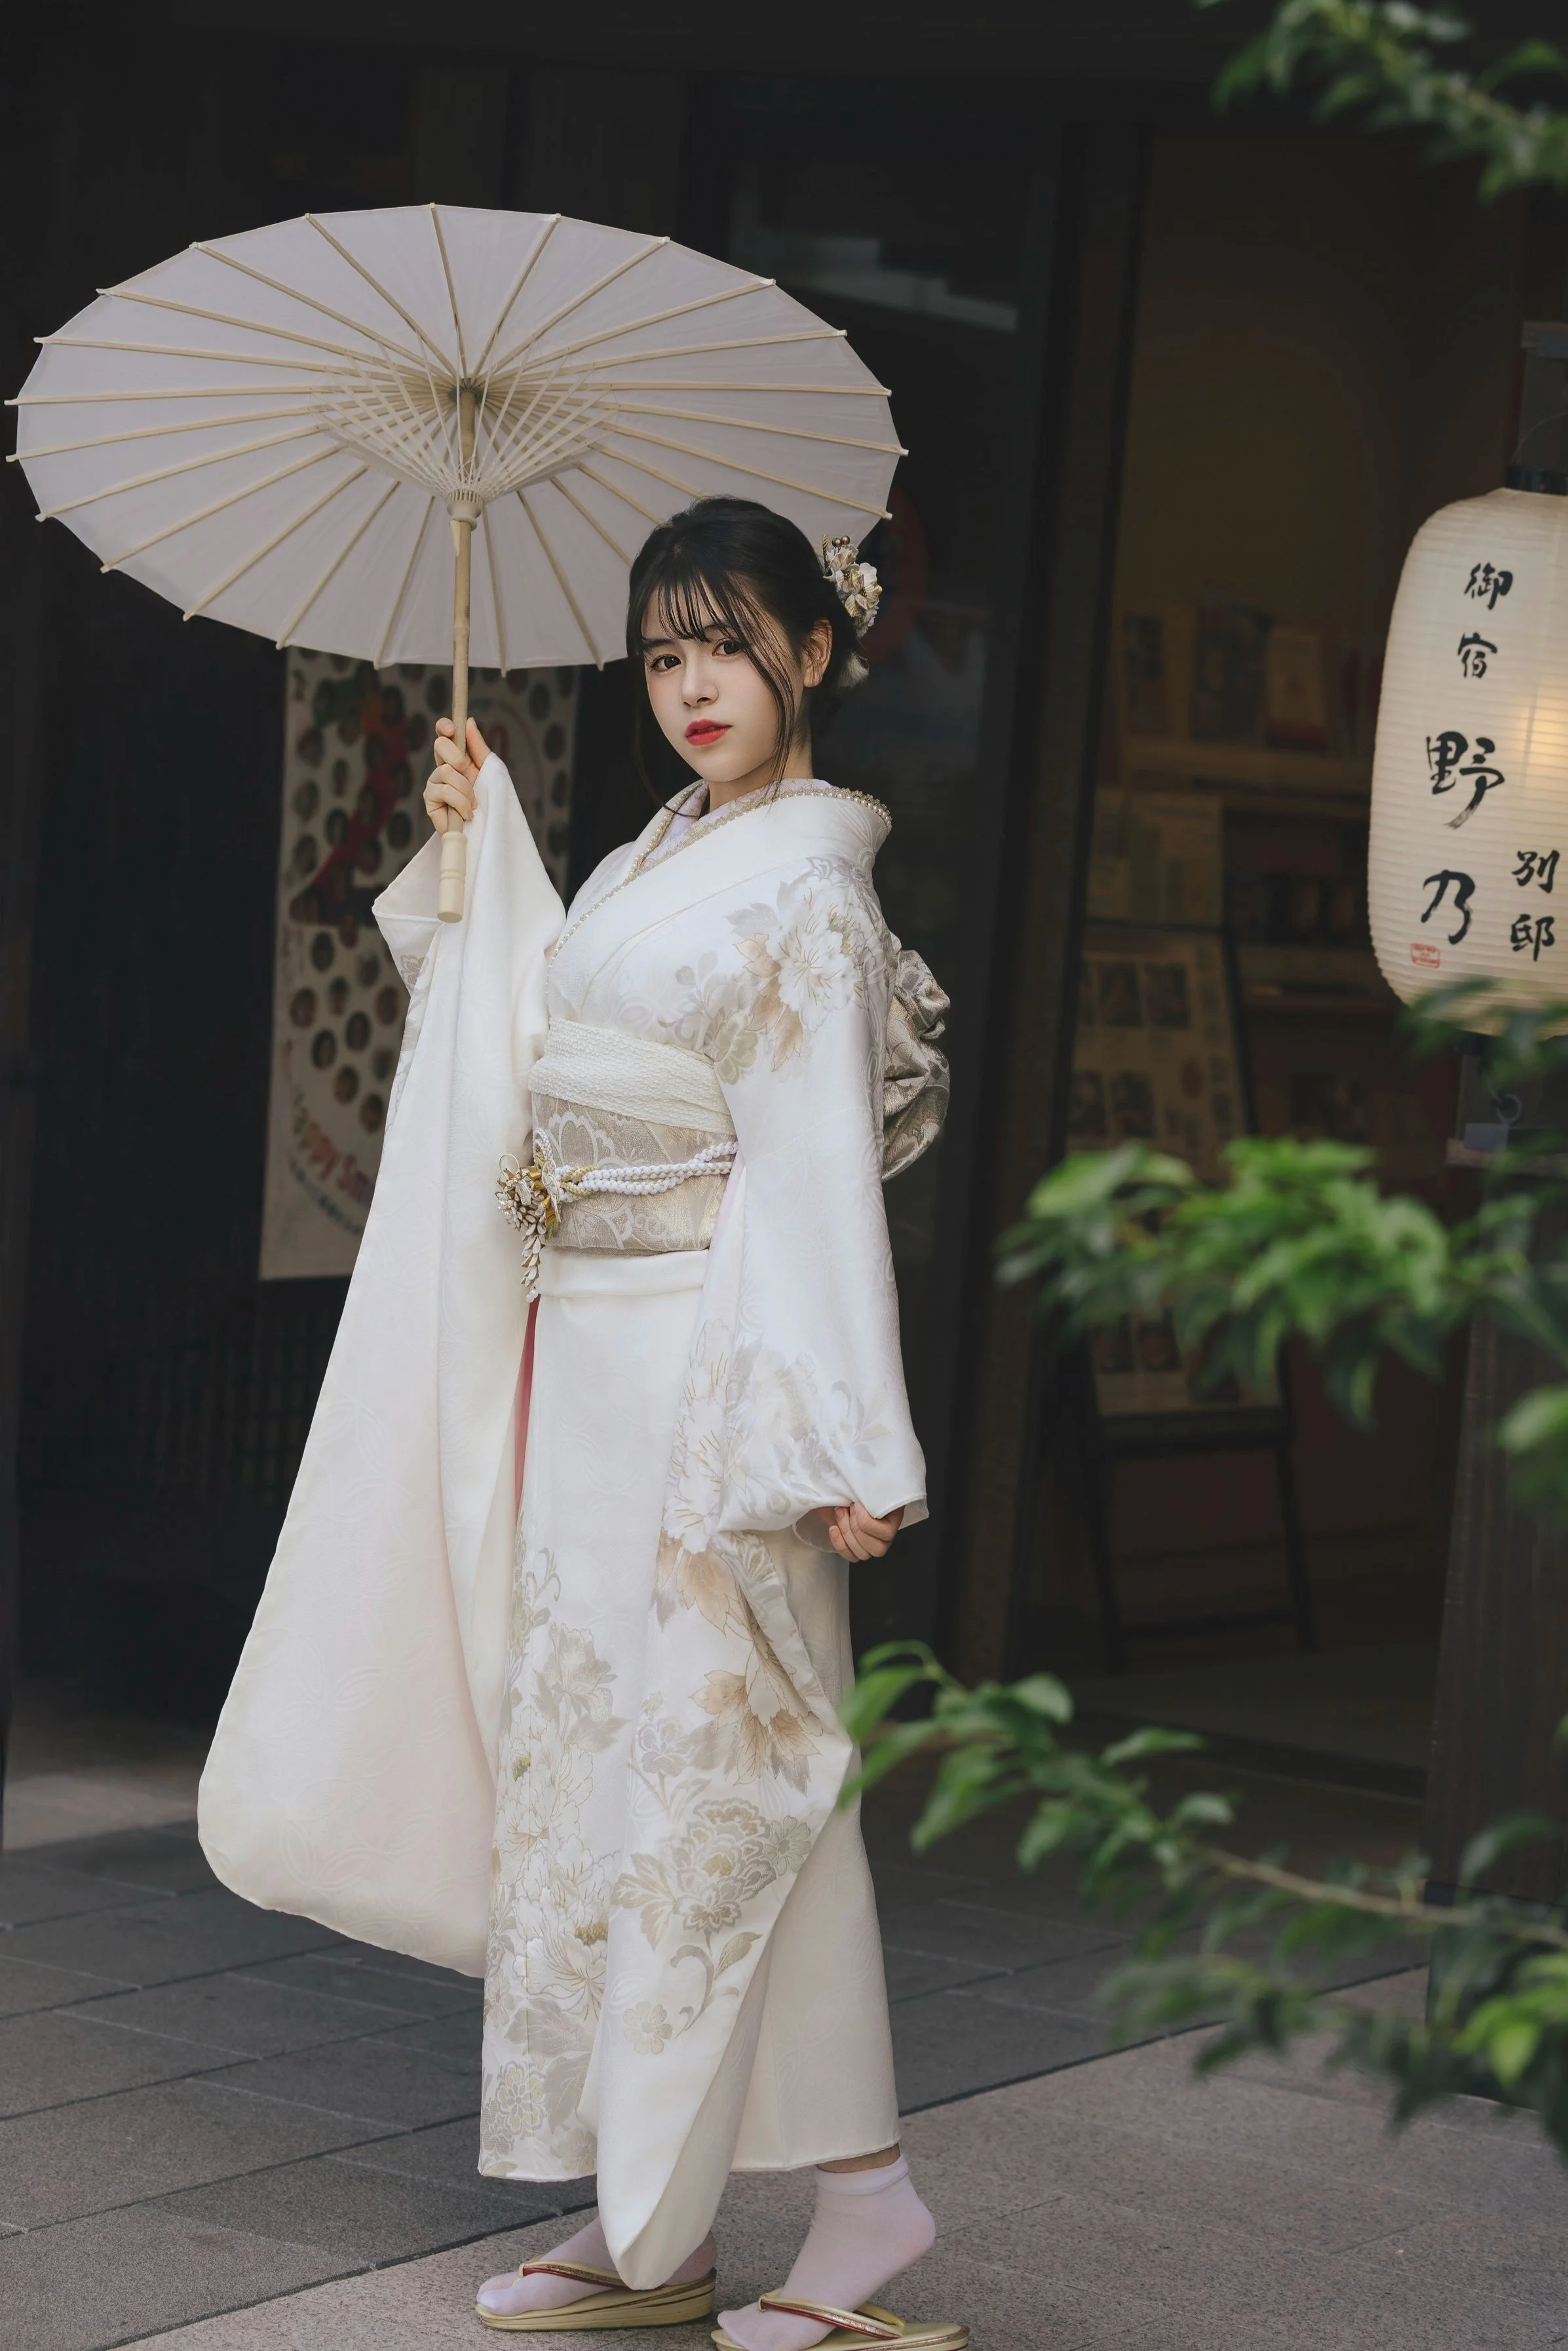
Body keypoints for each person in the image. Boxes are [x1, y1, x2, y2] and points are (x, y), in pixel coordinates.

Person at [198, 497, 959, 2350]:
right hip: (593, 1371)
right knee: (607, 1795)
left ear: (814, 652)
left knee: (742, 1789)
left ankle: (862, 2200)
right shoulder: (646, 861)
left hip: (716, 1381)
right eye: (662, 653)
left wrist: (844, 1442)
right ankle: (651, 2222)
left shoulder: (808, 892)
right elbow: (541, 1036)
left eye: (729, 644)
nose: (694, 685)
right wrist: (487, 856)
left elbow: (811, 1170)